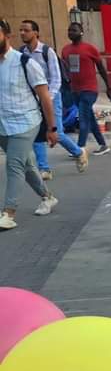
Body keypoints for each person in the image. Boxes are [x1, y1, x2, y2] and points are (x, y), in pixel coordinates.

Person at [0, 17, 58, 230]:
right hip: (3, 125)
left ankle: (8, 213)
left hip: (26, 122)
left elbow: (45, 97)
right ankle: (48, 197)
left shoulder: (25, 62)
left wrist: (52, 128)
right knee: (27, 166)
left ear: (7, 36)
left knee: (14, 164)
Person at [19, 20, 86, 175]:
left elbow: (56, 79)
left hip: (51, 97)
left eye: (26, 30)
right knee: (37, 133)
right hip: (32, 99)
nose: (22, 33)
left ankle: (78, 152)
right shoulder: (22, 53)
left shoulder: (47, 52)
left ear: (36, 33)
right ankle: (44, 168)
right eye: (21, 30)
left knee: (57, 132)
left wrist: (48, 98)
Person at [61, 21, 111, 155]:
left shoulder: (90, 49)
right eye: (69, 30)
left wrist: (109, 87)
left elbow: (101, 68)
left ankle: (79, 148)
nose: (71, 33)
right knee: (89, 118)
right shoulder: (65, 50)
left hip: (89, 89)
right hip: (75, 90)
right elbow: (65, 70)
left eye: (74, 30)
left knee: (83, 118)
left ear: (81, 32)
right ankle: (103, 145)